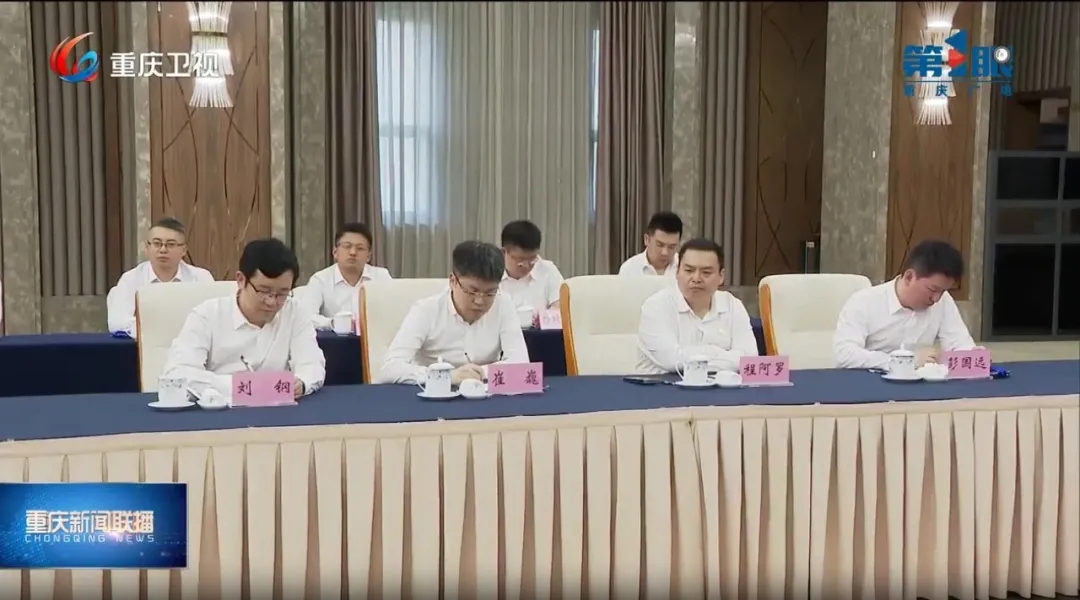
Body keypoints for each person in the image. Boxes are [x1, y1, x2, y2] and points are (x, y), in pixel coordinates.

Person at [161, 238, 326, 399]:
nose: (272, 302)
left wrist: (301, 383)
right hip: (220, 410)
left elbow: (312, 364)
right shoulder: (207, 315)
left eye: (282, 293)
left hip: (278, 411)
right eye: (264, 291)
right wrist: (246, 386)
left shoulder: (294, 312)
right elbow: (178, 373)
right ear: (241, 280)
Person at [378, 240, 529, 385]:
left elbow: (521, 363)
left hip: (483, 392)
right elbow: (390, 367)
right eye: (472, 291)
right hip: (435, 393)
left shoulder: (503, 304)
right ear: (452, 281)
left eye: (490, 293)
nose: (480, 301)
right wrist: (447, 376)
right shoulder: (426, 311)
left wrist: (480, 373)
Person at [833, 239, 976, 369]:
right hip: (870, 382)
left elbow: (961, 345)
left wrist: (972, 357)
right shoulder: (864, 302)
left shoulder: (943, 301)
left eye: (943, 291)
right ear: (909, 277)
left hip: (922, 384)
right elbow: (844, 355)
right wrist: (904, 361)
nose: (936, 299)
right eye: (933, 290)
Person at [637, 238, 758, 374]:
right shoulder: (656, 306)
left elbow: (750, 360)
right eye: (689, 270)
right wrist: (719, 353)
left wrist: (695, 356)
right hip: (662, 385)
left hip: (720, 386)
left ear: (721, 276)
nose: (696, 279)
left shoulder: (732, 305)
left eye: (706, 273)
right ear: (677, 272)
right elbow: (671, 360)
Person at [106, 218, 214, 336]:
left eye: (170, 244)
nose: (163, 250)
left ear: (183, 250)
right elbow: (117, 322)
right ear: (147, 247)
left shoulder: (201, 278)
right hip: (145, 345)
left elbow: (213, 319)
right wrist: (159, 333)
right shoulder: (131, 279)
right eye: (157, 244)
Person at [300, 222, 391, 329]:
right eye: (347, 246)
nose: (353, 252)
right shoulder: (320, 280)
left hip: (374, 337)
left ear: (368, 256)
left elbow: (396, 311)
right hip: (334, 338)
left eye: (360, 248)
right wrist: (334, 323)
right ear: (335, 252)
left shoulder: (381, 277)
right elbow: (306, 316)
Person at [498, 220, 565, 310]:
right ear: (503, 252)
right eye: (520, 260)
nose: (526, 265)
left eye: (532, 259)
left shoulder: (548, 270)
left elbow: (560, 308)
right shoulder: (490, 274)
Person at [618, 211, 683, 277]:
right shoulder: (629, 269)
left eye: (671, 247)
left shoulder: (684, 267)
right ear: (647, 239)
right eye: (660, 245)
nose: (665, 253)